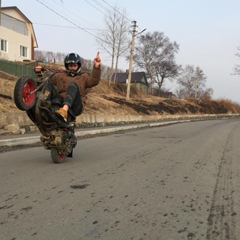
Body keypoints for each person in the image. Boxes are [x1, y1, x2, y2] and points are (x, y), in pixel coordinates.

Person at [44, 52, 101, 122]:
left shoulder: (83, 77)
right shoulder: (60, 75)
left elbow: (94, 81)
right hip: (60, 101)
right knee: (48, 85)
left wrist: (96, 66)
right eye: (70, 66)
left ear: (78, 66)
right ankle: (44, 106)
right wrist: (40, 72)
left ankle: (64, 110)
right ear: (67, 66)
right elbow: (46, 79)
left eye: (74, 65)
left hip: (76, 105)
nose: (73, 68)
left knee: (73, 85)